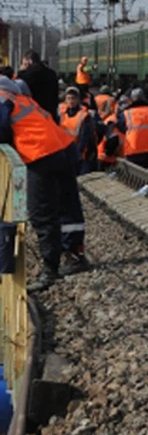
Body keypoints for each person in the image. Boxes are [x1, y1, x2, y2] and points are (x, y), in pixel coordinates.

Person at [0, 76, 90, 290]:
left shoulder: (3, 99)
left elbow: (1, 128)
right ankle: (75, 254)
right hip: (63, 148)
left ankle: (50, 270)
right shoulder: (24, 101)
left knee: (42, 213)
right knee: (67, 206)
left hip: (41, 155)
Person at [116, 88, 148, 171]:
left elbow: (120, 126)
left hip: (133, 148)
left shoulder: (127, 112)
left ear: (132, 99)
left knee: (134, 174)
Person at [57, 87, 98, 175]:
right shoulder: (61, 115)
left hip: (77, 154)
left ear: (78, 100)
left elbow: (84, 138)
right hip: (63, 152)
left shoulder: (84, 116)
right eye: (69, 98)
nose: (71, 101)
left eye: (73, 98)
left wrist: (77, 154)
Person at [17, 50, 60, 117]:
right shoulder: (52, 73)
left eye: (24, 62)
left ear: (29, 61)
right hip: (51, 112)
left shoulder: (28, 74)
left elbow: (18, 87)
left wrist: (21, 72)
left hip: (36, 112)